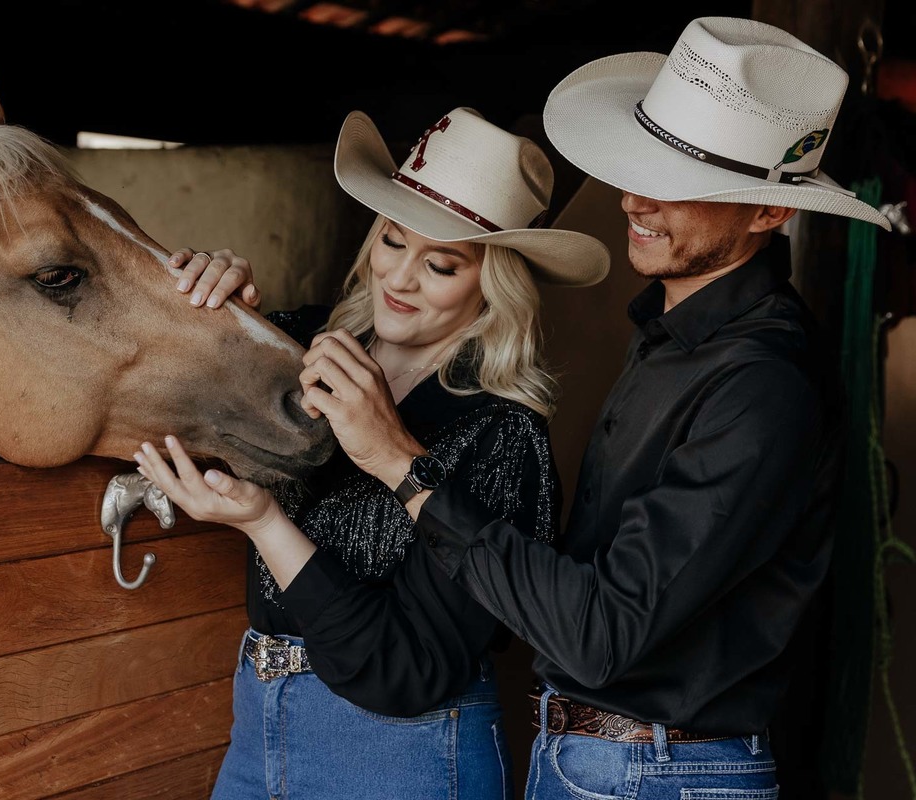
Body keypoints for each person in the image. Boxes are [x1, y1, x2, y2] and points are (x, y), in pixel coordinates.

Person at [165, 16, 894, 799]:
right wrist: (214, 315)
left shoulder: (760, 386)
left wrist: (398, 466)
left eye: (684, 183)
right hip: (589, 761)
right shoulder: (666, 342)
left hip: (647, 771)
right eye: (644, 164)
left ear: (767, 212)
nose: (637, 198)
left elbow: (599, 634)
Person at [133, 106, 610, 799]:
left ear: (492, 285)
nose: (401, 277)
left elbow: (406, 671)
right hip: (257, 729)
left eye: (441, 263)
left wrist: (266, 523)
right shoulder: (297, 348)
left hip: (400, 757)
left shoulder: (501, 438)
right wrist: (205, 307)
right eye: (392, 241)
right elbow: (141, 385)